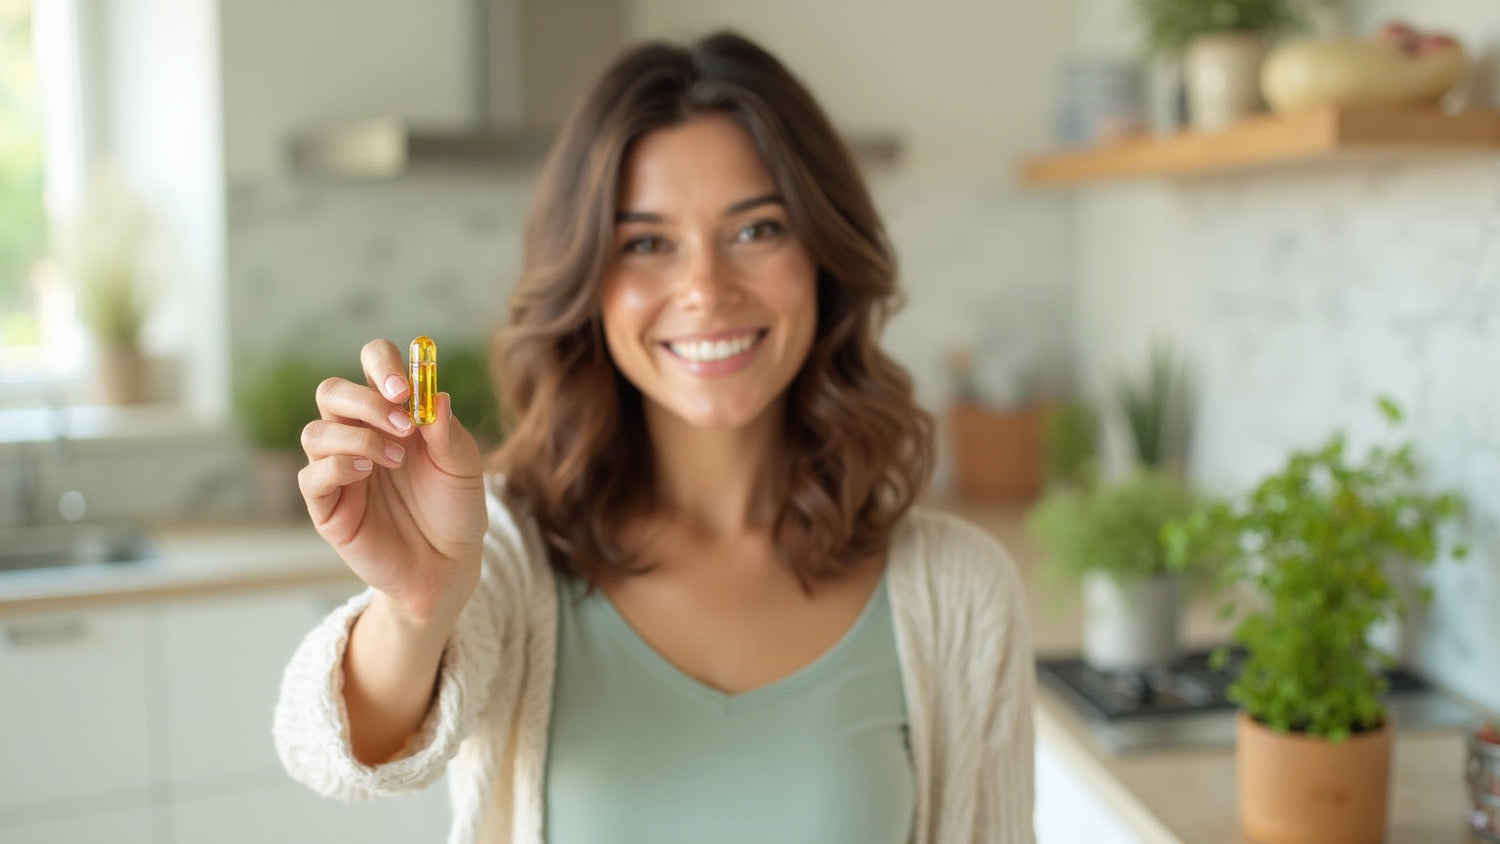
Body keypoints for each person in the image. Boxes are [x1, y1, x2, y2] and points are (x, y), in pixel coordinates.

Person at [274, 30, 1034, 844]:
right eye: (646, 243)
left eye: (756, 230)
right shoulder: (506, 557)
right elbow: (331, 752)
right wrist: (418, 609)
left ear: (824, 256)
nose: (706, 289)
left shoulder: (959, 591)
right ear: (587, 284)